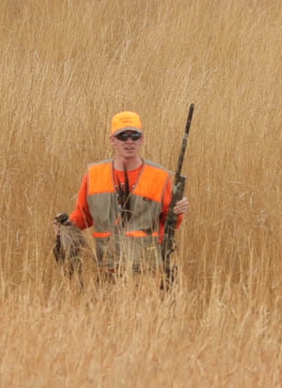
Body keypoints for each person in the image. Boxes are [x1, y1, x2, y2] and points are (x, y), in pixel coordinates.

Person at [56, 110, 190, 274]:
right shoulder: (94, 175)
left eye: (134, 136)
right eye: (122, 136)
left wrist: (180, 209)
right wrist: (64, 227)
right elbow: (83, 217)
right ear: (112, 140)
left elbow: (172, 223)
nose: (129, 141)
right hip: (106, 269)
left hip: (146, 270)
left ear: (142, 140)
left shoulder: (160, 177)